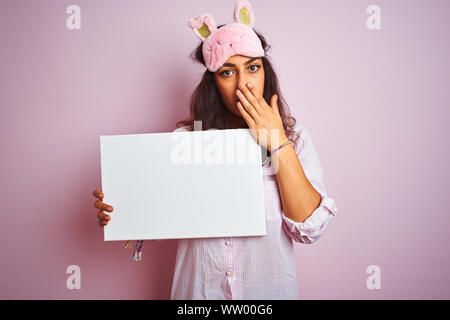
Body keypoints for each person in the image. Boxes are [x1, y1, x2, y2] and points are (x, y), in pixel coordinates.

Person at [93, 0, 338, 299]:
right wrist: (120, 210)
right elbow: (163, 212)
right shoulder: (185, 140)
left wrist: (277, 142)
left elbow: (310, 228)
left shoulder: (295, 138)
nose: (243, 84)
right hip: (199, 297)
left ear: (266, 73)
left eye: (252, 68)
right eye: (227, 72)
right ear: (214, 82)